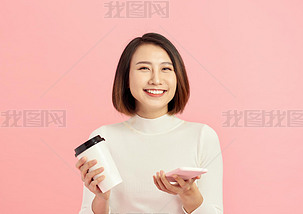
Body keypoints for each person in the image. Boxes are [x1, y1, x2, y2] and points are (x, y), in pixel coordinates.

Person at [75, 32, 223, 214]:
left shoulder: (202, 136)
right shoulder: (103, 139)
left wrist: (189, 194)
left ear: (178, 77)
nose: (156, 80)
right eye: (144, 68)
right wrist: (101, 199)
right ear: (126, 78)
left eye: (166, 69)